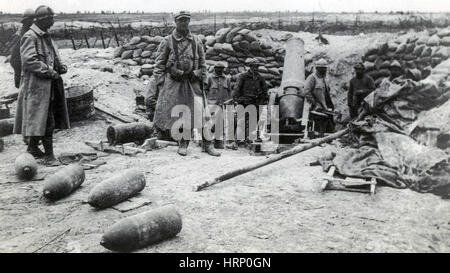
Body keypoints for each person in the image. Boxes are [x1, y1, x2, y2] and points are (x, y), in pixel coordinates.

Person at [151, 11, 220, 157]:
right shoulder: (167, 41)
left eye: (186, 20)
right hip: (175, 85)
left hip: (194, 83)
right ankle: (183, 143)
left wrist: (204, 80)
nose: (184, 23)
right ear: (175, 22)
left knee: (201, 113)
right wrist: (161, 84)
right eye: (181, 20)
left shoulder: (196, 41)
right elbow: (159, 65)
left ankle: (208, 144)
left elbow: (202, 63)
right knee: (181, 114)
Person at [13, 5, 70, 165]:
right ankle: (49, 156)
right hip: (37, 87)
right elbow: (29, 61)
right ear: (44, 19)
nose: (53, 22)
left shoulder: (45, 36)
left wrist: (60, 66)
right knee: (46, 119)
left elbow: (52, 55)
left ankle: (32, 148)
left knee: (43, 118)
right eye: (51, 19)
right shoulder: (30, 37)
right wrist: (50, 71)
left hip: (48, 86)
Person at [232, 58, 268, 146]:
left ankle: (248, 139)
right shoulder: (243, 76)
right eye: (254, 66)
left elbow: (264, 91)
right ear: (250, 67)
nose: (256, 68)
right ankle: (238, 140)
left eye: (257, 66)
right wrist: (239, 100)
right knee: (241, 121)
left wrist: (262, 102)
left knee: (253, 122)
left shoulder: (260, 78)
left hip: (256, 103)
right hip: (244, 103)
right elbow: (237, 89)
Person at [204, 62, 234, 149]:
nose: (220, 70)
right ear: (214, 68)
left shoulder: (227, 79)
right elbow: (205, 90)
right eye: (218, 68)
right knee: (209, 124)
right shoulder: (209, 78)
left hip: (222, 105)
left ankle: (218, 142)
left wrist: (230, 101)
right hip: (211, 104)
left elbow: (229, 91)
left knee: (220, 124)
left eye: (222, 68)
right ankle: (206, 143)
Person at [303, 58, 335, 135]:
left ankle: (326, 137)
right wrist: (315, 103)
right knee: (317, 125)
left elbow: (327, 92)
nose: (325, 70)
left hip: (325, 106)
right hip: (315, 108)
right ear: (318, 68)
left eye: (325, 68)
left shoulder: (324, 79)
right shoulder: (312, 78)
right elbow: (307, 91)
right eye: (323, 68)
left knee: (328, 124)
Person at [9, 9, 35, 89]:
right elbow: (15, 55)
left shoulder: (27, 31)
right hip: (19, 62)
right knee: (22, 85)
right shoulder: (21, 34)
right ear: (27, 20)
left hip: (22, 61)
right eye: (32, 19)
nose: (33, 21)